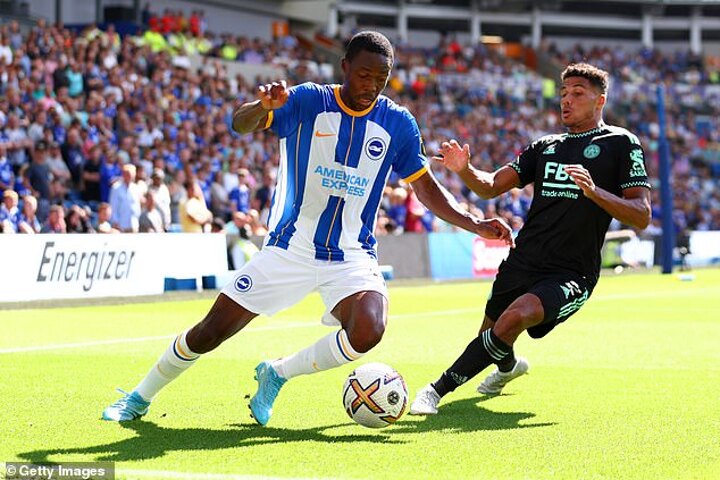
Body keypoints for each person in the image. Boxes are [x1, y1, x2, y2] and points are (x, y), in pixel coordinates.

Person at [101, 31, 513, 424]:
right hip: (290, 248)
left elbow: (425, 188)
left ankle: (277, 374)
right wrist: (262, 106)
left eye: (381, 78)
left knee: (369, 328)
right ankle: (138, 397)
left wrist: (474, 223)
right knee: (211, 332)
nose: (371, 86)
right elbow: (239, 123)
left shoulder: (398, 123)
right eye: (364, 75)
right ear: (344, 66)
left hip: (351, 254)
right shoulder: (307, 100)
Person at [409, 63, 652, 415]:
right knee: (493, 336)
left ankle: (434, 390)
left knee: (515, 317)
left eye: (578, 94)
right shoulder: (545, 146)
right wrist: (464, 170)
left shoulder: (621, 143)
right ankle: (508, 368)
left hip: (572, 271)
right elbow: (490, 186)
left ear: (600, 101)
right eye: (564, 93)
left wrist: (594, 191)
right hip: (523, 260)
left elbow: (641, 215)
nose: (566, 100)